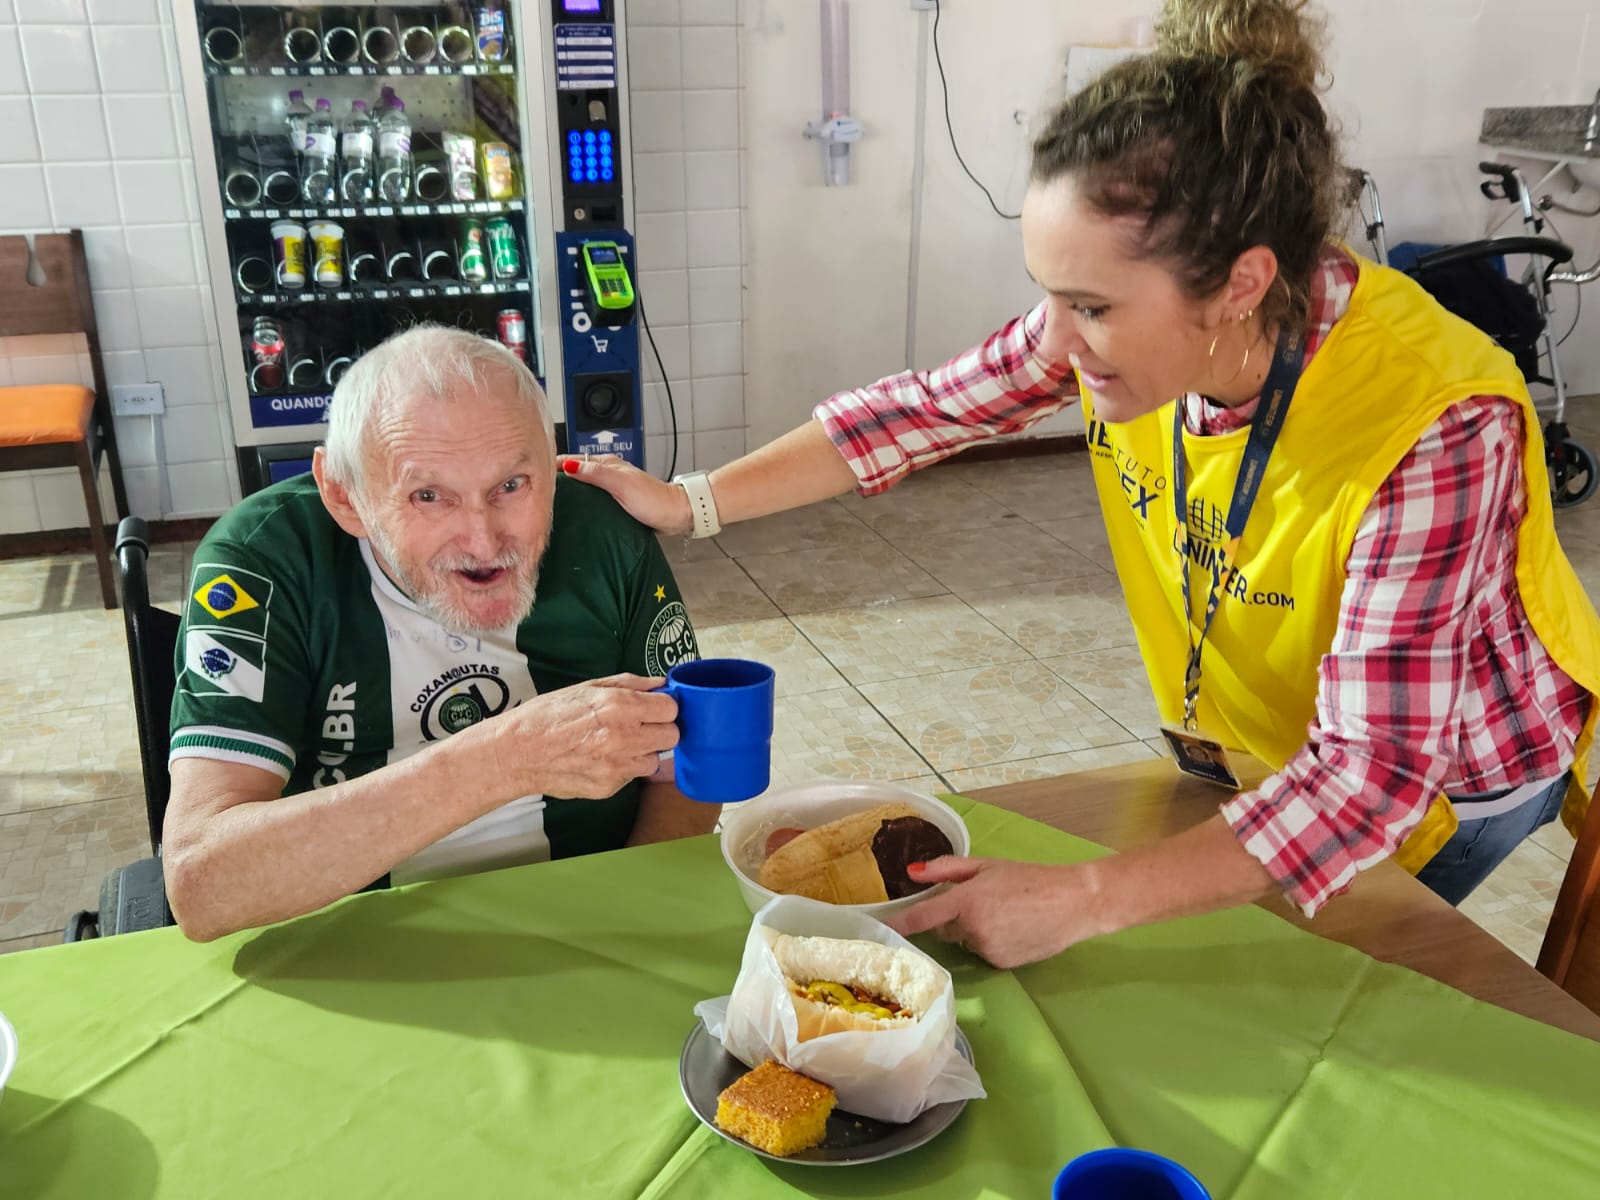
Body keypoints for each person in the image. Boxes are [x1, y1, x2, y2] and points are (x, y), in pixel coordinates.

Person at [563, 0, 1600, 968]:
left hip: (1454, 771)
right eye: (1047, 298)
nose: (1053, 345)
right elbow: (921, 410)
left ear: (1240, 284)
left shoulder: (1436, 419)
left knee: (1303, 990)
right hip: (1267, 742)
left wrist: (1086, 898)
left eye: (1091, 308)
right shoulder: (1140, 320)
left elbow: (1366, 780)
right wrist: (689, 501)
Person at [162, 326, 710, 942]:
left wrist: (625, 918)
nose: (483, 542)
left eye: (511, 485)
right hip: (351, 939)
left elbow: (691, 768)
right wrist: (506, 760)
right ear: (344, 495)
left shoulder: (606, 534)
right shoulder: (261, 558)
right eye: (429, 496)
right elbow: (201, 885)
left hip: (592, 917)